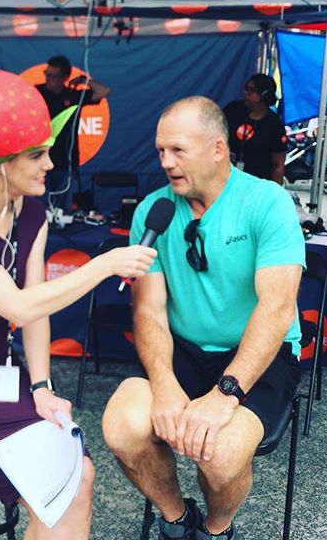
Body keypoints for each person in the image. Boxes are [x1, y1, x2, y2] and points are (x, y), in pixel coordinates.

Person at [0, 68, 156, 539]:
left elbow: (36, 306)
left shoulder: (30, 209)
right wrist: (103, 266)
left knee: (76, 478)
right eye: (38, 155)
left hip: (2, 373)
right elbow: (18, 306)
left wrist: (41, 384)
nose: (50, 165)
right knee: (53, 486)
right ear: (1, 163)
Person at [102, 96, 305, 540]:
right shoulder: (152, 211)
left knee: (222, 455)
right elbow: (149, 308)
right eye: (160, 151)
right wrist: (165, 382)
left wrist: (226, 393)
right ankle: (178, 522)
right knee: (123, 426)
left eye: (178, 150)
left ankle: (216, 530)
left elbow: (276, 309)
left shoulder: (266, 202)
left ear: (218, 149)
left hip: (260, 354)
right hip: (184, 351)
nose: (165, 162)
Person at [35, 55, 110, 211]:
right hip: (39, 158)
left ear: (65, 77)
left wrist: (84, 81)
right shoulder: (37, 92)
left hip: (65, 160)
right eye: (47, 74)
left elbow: (104, 91)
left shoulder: (73, 96)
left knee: (62, 208)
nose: (49, 79)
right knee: (39, 206)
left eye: (53, 76)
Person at [224, 74, 287, 185]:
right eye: (246, 89)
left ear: (265, 95)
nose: (246, 93)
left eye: (251, 90)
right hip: (228, 180)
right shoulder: (233, 110)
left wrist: (275, 194)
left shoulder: (274, 125)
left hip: (257, 185)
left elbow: (278, 165)